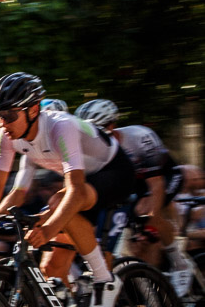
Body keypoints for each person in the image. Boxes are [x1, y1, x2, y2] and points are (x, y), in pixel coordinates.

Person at [0, 74, 132, 307]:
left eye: (8, 115)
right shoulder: (8, 135)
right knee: (51, 269)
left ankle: (104, 279)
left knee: (58, 203)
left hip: (115, 172)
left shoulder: (61, 127)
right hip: (82, 186)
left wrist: (48, 230)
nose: (2, 123)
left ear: (33, 110)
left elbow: (75, 190)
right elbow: (3, 188)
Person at [75, 98, 184, 270]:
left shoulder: (139, 137)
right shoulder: (90, 150)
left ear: (111, 126)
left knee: (147, 213)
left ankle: (180, 264)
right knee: (136, 242)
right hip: (132, 183)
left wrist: (151, 220)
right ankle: (147, 275)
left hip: (165, 176)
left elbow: (156, 184)